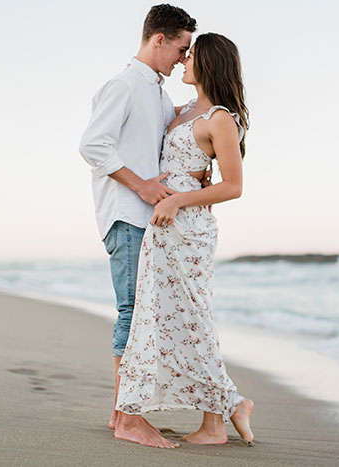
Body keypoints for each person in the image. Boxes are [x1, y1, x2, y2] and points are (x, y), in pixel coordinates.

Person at [114, 33, 254, 448]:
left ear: (208, 63)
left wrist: (181, 200)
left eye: (191, 55)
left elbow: (233, 186)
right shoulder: (183, 111)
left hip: (187, 230)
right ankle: (227, 407)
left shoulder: (220, 118)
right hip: (164, 228)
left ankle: (219, 419)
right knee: (167, 319)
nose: (184, 61)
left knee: (193, 319)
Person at [78, 4, 196, 448]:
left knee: (143, 313)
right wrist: (142, 187)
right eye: (181, 49)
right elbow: (93, 145)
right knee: (132, 311)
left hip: (145, 219)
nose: (183, 60)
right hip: (126, 215)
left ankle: (120, 414)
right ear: (158, 39)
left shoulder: (159, 94)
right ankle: (128, 418)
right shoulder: (125, 85)